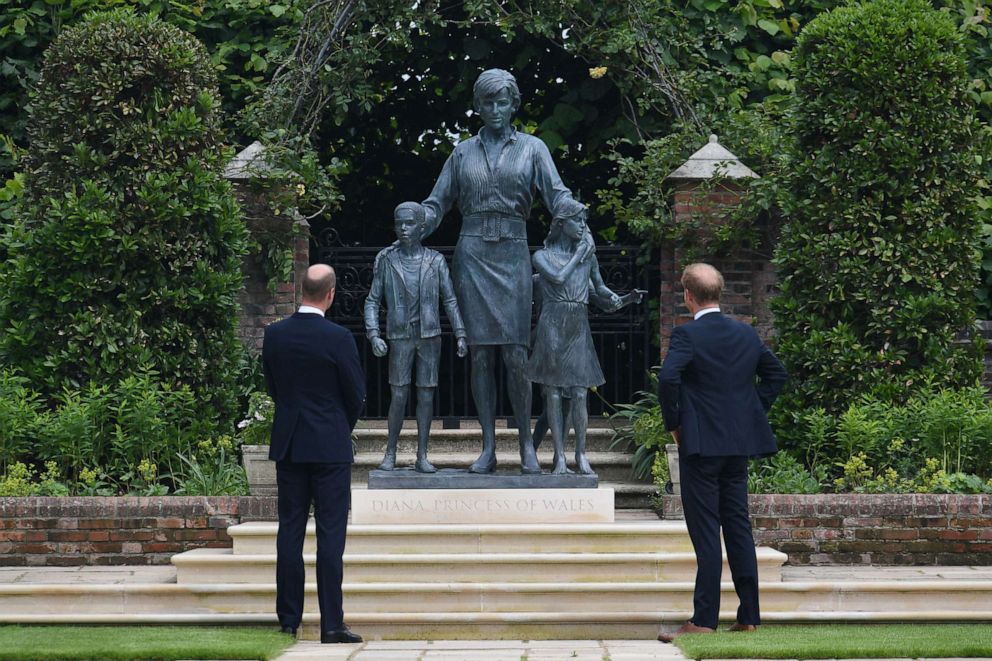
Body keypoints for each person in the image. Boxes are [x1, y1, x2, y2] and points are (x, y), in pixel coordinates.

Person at [422, 68, 586, 474]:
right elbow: (437, 203)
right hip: (473, 254)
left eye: (502, 102)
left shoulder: (533, 149)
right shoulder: (461, 153)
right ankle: (488, 446)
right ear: (477, 106)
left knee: (515, 352)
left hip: (513, 252)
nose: (495, 109)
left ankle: (526, 446)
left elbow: (556, 193)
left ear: (514, 105)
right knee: (480, 355)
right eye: (487, 102)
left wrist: (577, 221)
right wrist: (412, 225)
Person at [656, 263, 787, 642]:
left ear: (688, 296)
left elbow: (668, 378)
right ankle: (749, 615)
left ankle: (704, 619)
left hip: (700, 447)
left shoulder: (687, 335)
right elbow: (776, 375)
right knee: (738, 526)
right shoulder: (745, 333)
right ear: (720, 293)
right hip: (737, 446)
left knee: (706, 532)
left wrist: (676, 424)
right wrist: (750, 411)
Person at [262, 264, 366, 644]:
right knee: (330, 535)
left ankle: (289, 620)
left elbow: (273, 387)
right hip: (329, 446)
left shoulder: (275, 335)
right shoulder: (339, 338)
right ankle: (332, 624)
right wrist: (339, 424)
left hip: (290, 443)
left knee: (289, 530)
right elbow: (355, 393)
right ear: (331, 294)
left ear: (300, 291)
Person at [364, 201, 468, 473]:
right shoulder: (387, 260)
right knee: (398, 396)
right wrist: (373, 334)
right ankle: (391, 452)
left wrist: (460, 333)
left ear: (422, 228)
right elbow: (372, 301)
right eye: (399, 223)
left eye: (409, 224)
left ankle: (422, 455)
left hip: (430, 336)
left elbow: (450, 300)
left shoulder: (435, 261)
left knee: (426, 396)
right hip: (400, 336)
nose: (403, 229)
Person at [525, 200, 622, 475]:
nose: (582, 226)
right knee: (553, 393)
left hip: (578, 324)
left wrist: (618, 298)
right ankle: (559, 457)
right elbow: (556, 278)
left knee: (580, 392)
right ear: (561, 224)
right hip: (553, 324)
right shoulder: (542, 256)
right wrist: (579, 254)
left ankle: (581, 453)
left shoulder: (588, 256)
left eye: (584, 221)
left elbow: (600, 289)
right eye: (577, 220)